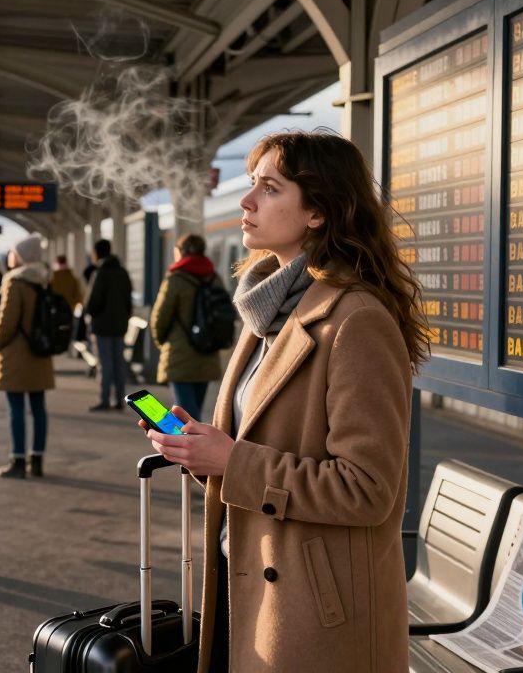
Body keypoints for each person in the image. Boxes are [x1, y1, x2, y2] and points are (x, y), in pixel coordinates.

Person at [141, 131, 430, 672]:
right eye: (251, 185)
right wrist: (205, 452)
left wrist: (234, 461)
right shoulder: (267, 313)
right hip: (253, 584)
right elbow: (264, 453)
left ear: (318, 211)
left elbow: (368, 489)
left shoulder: (356, 320)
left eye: (269, 188)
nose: (248, 201)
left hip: (319, 615)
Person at [0, 234, 55, 479]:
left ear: (22, 255)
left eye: (12, 252)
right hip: (40, 351)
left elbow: (6, 321)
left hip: (17, 353)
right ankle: (36, 460)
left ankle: (17, 460)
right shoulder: (45, 280)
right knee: (39, 408)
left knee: (16, 408)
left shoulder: (14, 282)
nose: (9, 256)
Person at [149, 234, 225, 422]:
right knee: (194, 410)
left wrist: (162, 343)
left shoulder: (176, 279)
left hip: (179, 353)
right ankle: (192, 446)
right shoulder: (214, 278)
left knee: (186, 415)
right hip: (207, 351)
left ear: (180, 252)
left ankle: (191, 448)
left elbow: (160, 318)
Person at [83, 239, 133, 411]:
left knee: (104, 364)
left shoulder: (100, 273)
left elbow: (92, 303)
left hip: (102, 327)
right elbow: (128, 300)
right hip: (119, 326)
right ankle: (120, 399)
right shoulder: (122, 273)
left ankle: (104, 399)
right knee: (118, 363)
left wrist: (91, 314)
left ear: (96, 253)